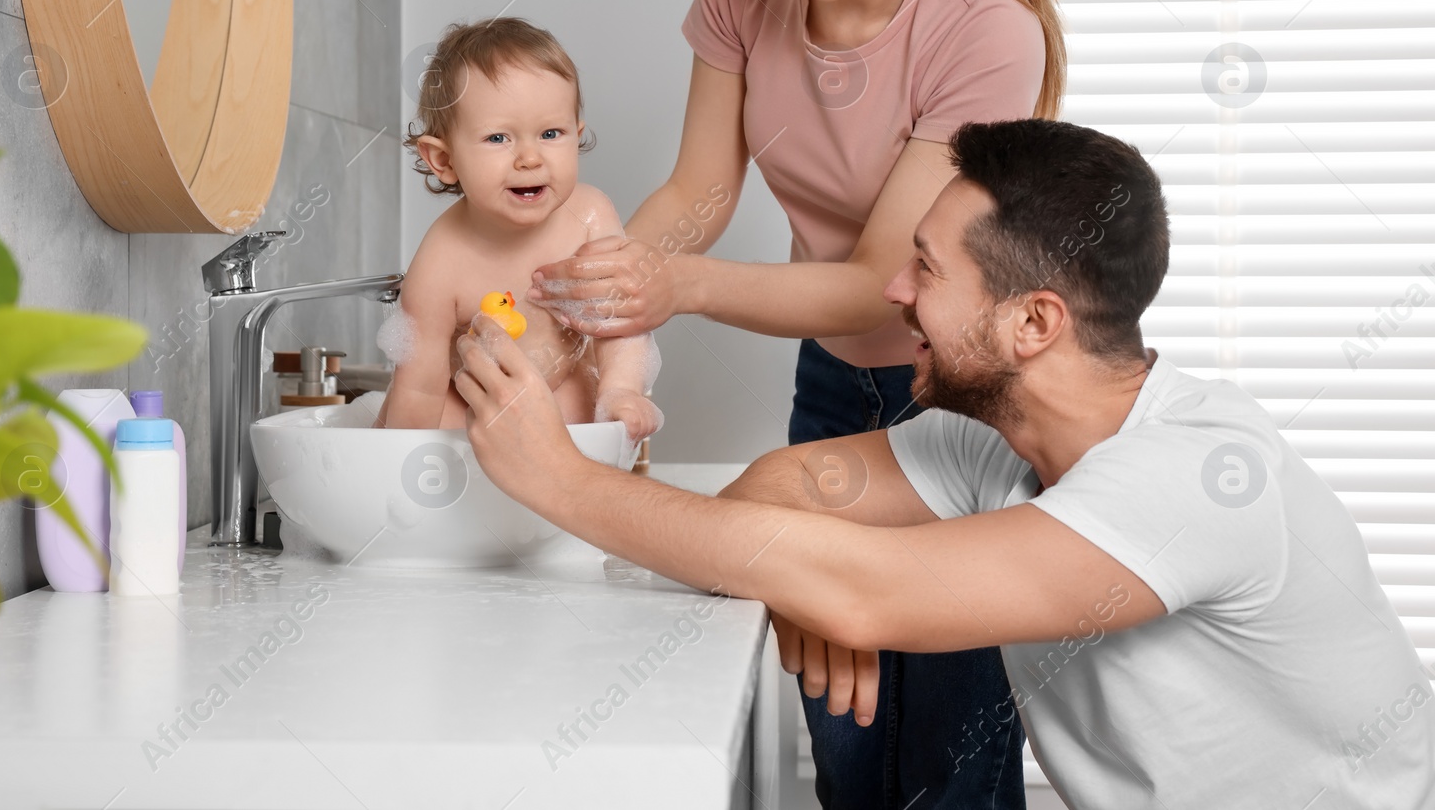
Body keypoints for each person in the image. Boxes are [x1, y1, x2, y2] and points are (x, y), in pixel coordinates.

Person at [458, 118, 1435, 810]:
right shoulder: (991, 435)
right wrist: (820, 592)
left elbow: (869, 589)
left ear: (1032, 321)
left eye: (925, 267)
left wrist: (558, 475)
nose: (891, 287)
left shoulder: (1195, 477)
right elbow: (780, 485)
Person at [527, 0, 1062, 804]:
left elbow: (879, 280)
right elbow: (698, 190)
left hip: (958, 396)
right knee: (845, 716)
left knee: (948, 745)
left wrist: (678, 288)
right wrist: (598, 285)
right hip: (833, 385)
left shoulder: (986, 29)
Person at [377, 18, 662, 444]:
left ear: (576, 136)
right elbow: (420, 383)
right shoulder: (441, 261)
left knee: (586, 416)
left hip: (560, 386)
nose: (530, 157)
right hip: (471, 396)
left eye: (551, 133)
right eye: (498, 138)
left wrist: (622, 391)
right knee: (427, 428)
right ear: (444, 160)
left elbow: (618, 322)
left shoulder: (588, 216)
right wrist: (393, 463)